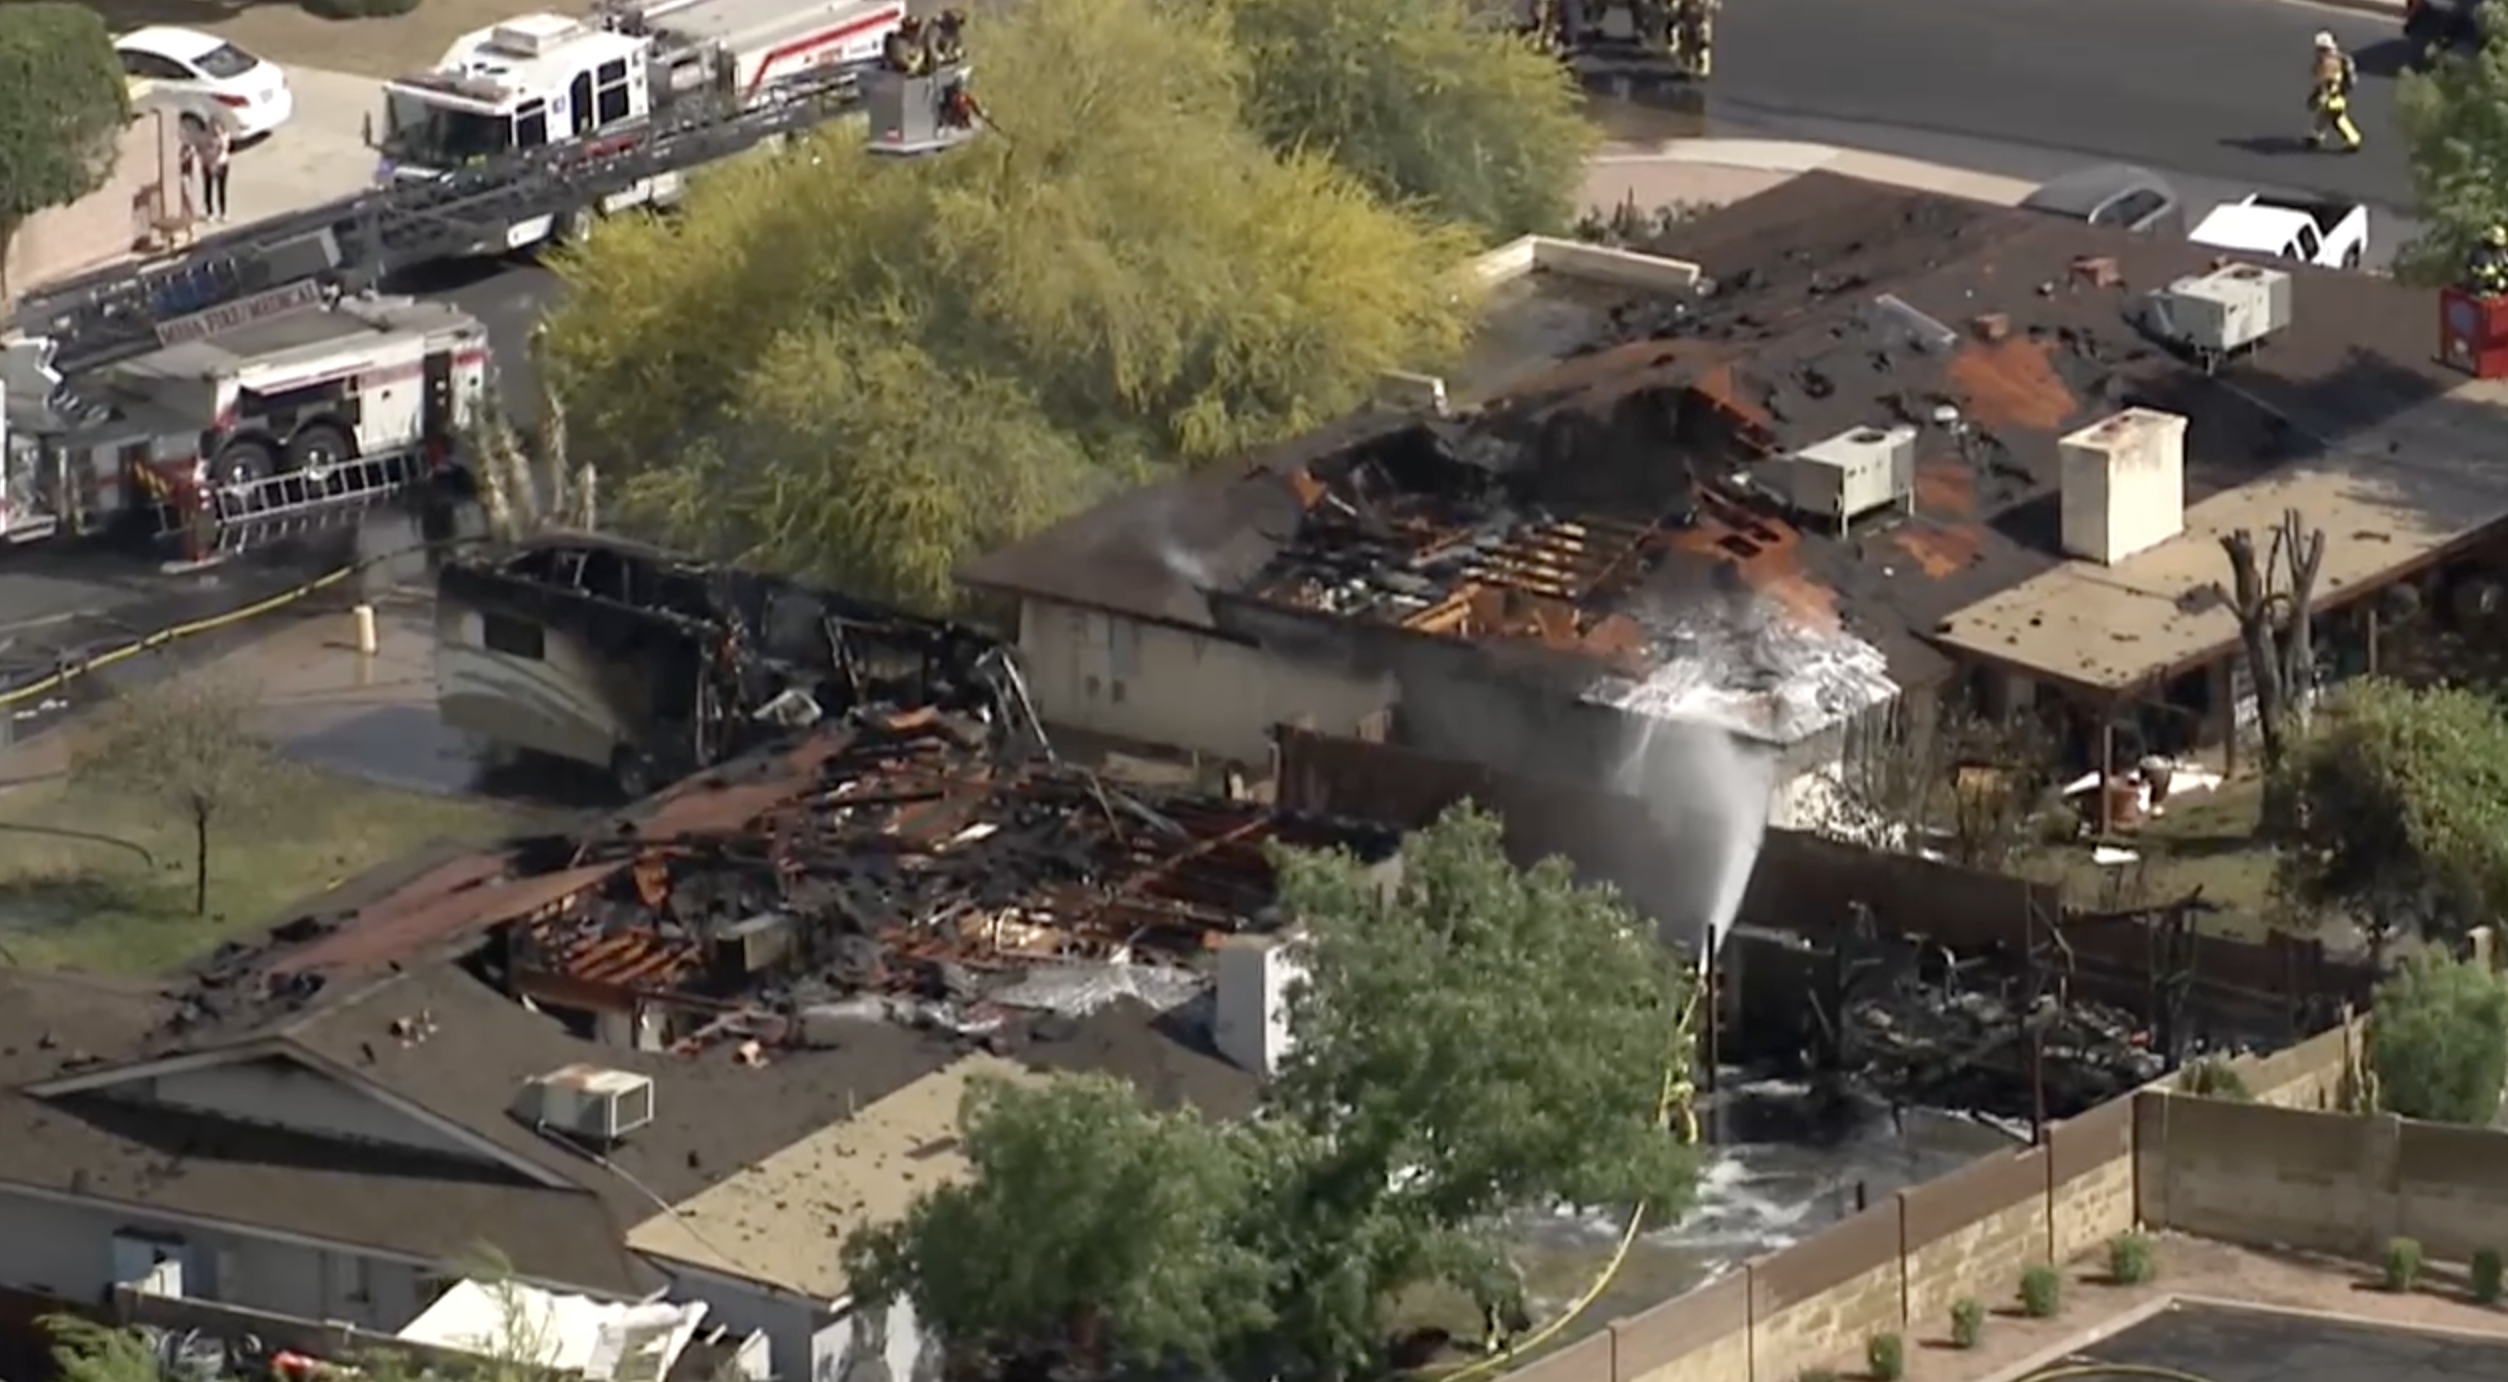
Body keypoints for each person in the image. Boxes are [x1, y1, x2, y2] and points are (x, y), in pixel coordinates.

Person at [2309, 31, 2361, 153]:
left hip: (2333, 97)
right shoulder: (2333, 59)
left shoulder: (2329, 62)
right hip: (2334, 95)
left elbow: (2328, 81)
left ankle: (2354, 139)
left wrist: (2321, 94)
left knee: (2338, 119)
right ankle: (2316, 135)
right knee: (2324, 116)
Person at [1671, 0, 1717, 77]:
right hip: (1690, 19)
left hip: (1700, 19)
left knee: (1701, 43)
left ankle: (1702, 65)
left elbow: (1713, 7)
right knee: (1687, 41)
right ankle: (1687, 64)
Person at [2466, 225, 2508, 297]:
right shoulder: (2481, 251)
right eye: (2499, 238)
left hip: (2496, 281)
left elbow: (2504, 263)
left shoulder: (2501, 250)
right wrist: (2498, 278)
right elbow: (2488, 271)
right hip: (2480, 284)